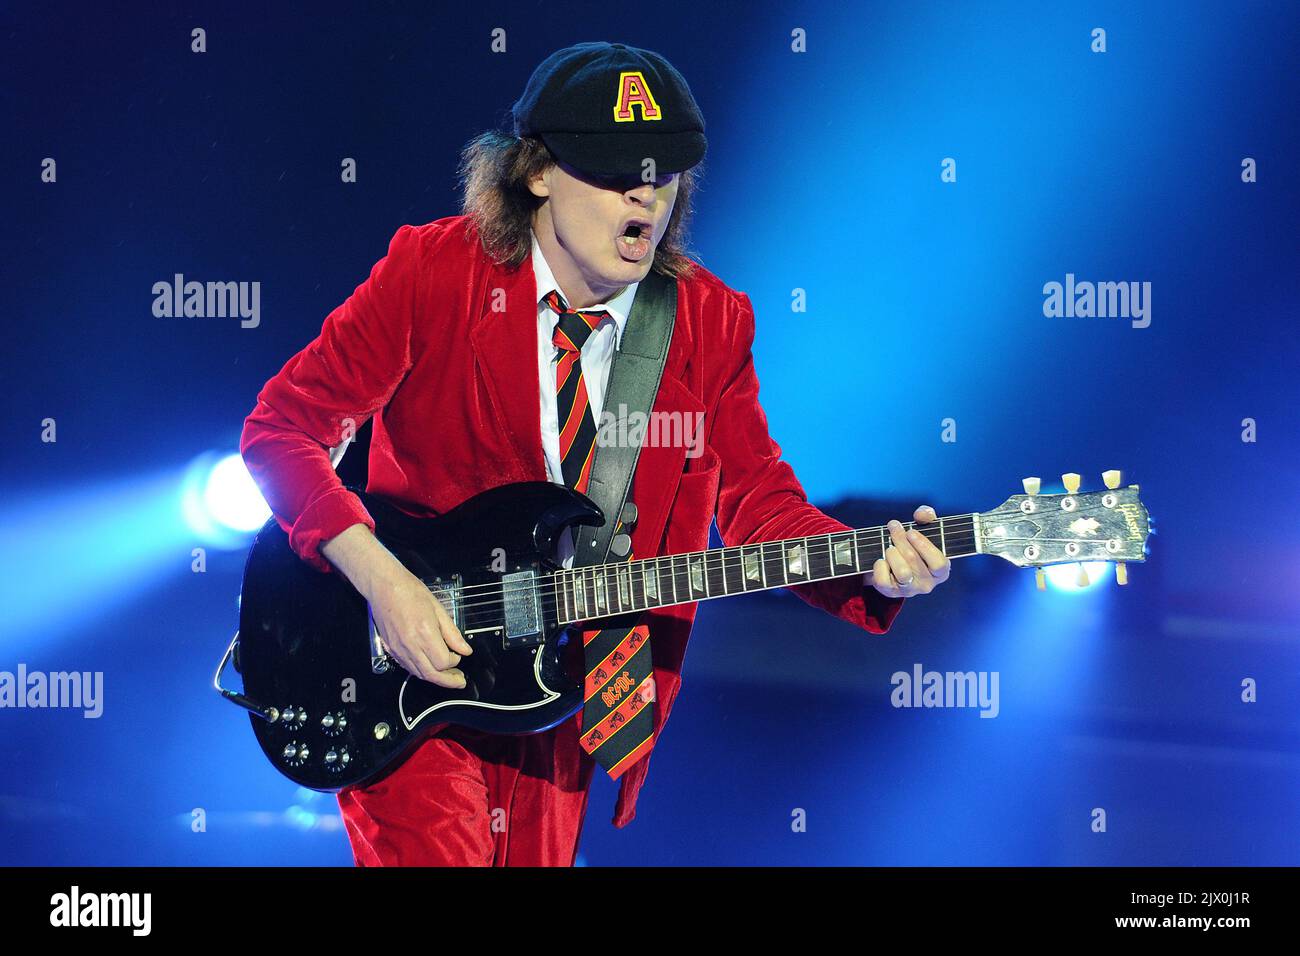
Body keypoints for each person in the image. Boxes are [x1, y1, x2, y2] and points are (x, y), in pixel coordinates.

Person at [240, 40, 950, 866]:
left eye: (665, 172)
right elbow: (281, 430)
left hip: (571, 687)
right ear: (536, 172)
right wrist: (385, 583)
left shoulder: (707, 324)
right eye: (618, 172)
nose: (646, 193)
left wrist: (864, 565)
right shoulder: (436, 273)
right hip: (404, 671)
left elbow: (758, 502)